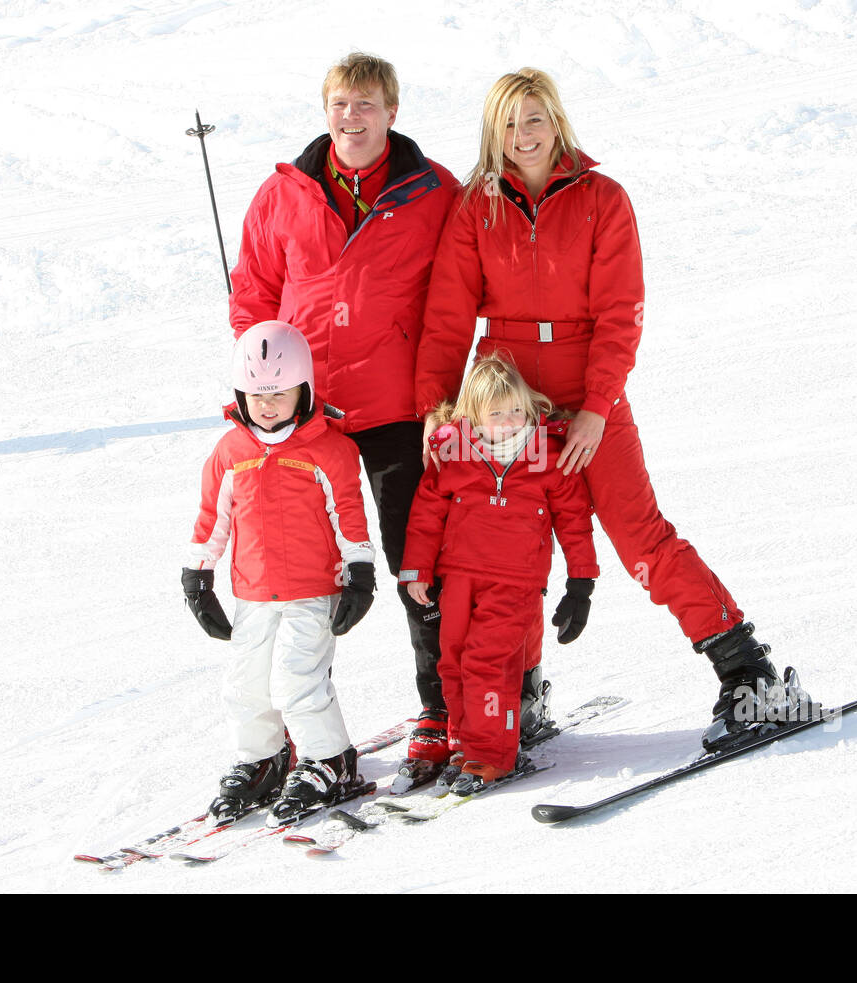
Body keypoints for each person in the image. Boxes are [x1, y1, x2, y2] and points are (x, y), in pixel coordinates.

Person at [415, 69, 804, 745]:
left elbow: (620, 313)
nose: (522, 135)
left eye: (534, 119)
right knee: (507, 551)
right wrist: (437, 409)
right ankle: (520, 693)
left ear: (557, 121)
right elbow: (448, 316)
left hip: (587, 397)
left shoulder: (602, 200)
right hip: (506, 406)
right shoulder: (478, 208)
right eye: (508, 123)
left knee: (640, 536)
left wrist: (596, 406)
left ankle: (748, 672)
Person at [228, 53, 460, 774]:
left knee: (417, 562)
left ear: (392, 111)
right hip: (308, 412)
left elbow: (453, 302)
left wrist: (439, 399)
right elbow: (254, 298)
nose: (350, 118)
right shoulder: (284, 195)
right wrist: (258, 395)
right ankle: (306, 729)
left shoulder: (434, 193)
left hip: (396, 408)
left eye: (364, 104)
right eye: (339, 104)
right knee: (302, 574)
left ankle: (445, 707)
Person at [182, 321, 378, 827]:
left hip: (313, 591)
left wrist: (360, 573)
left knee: (296, 677)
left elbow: (349, 516)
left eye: (279, 393)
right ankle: (262, 760)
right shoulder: (231, 451)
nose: (265, 405)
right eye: (254, 394)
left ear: (304, 390)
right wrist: (197, 579)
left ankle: (330, 760)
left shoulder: (329, 450)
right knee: (244, 684)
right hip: (252, 592)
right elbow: (213, 519)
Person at [400, 354, 599, 795]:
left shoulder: (547, 456)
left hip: (515, 581)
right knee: (452, 661)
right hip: (459, 578)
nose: (509, 422)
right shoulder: (452, 454)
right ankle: (463, 745)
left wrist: (580, 582)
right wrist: (417, 569)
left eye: (516, 410)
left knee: (487, 664)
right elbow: (427, 512)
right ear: (473, 417)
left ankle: (492, 755)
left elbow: (574, 521)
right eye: (496, 413)